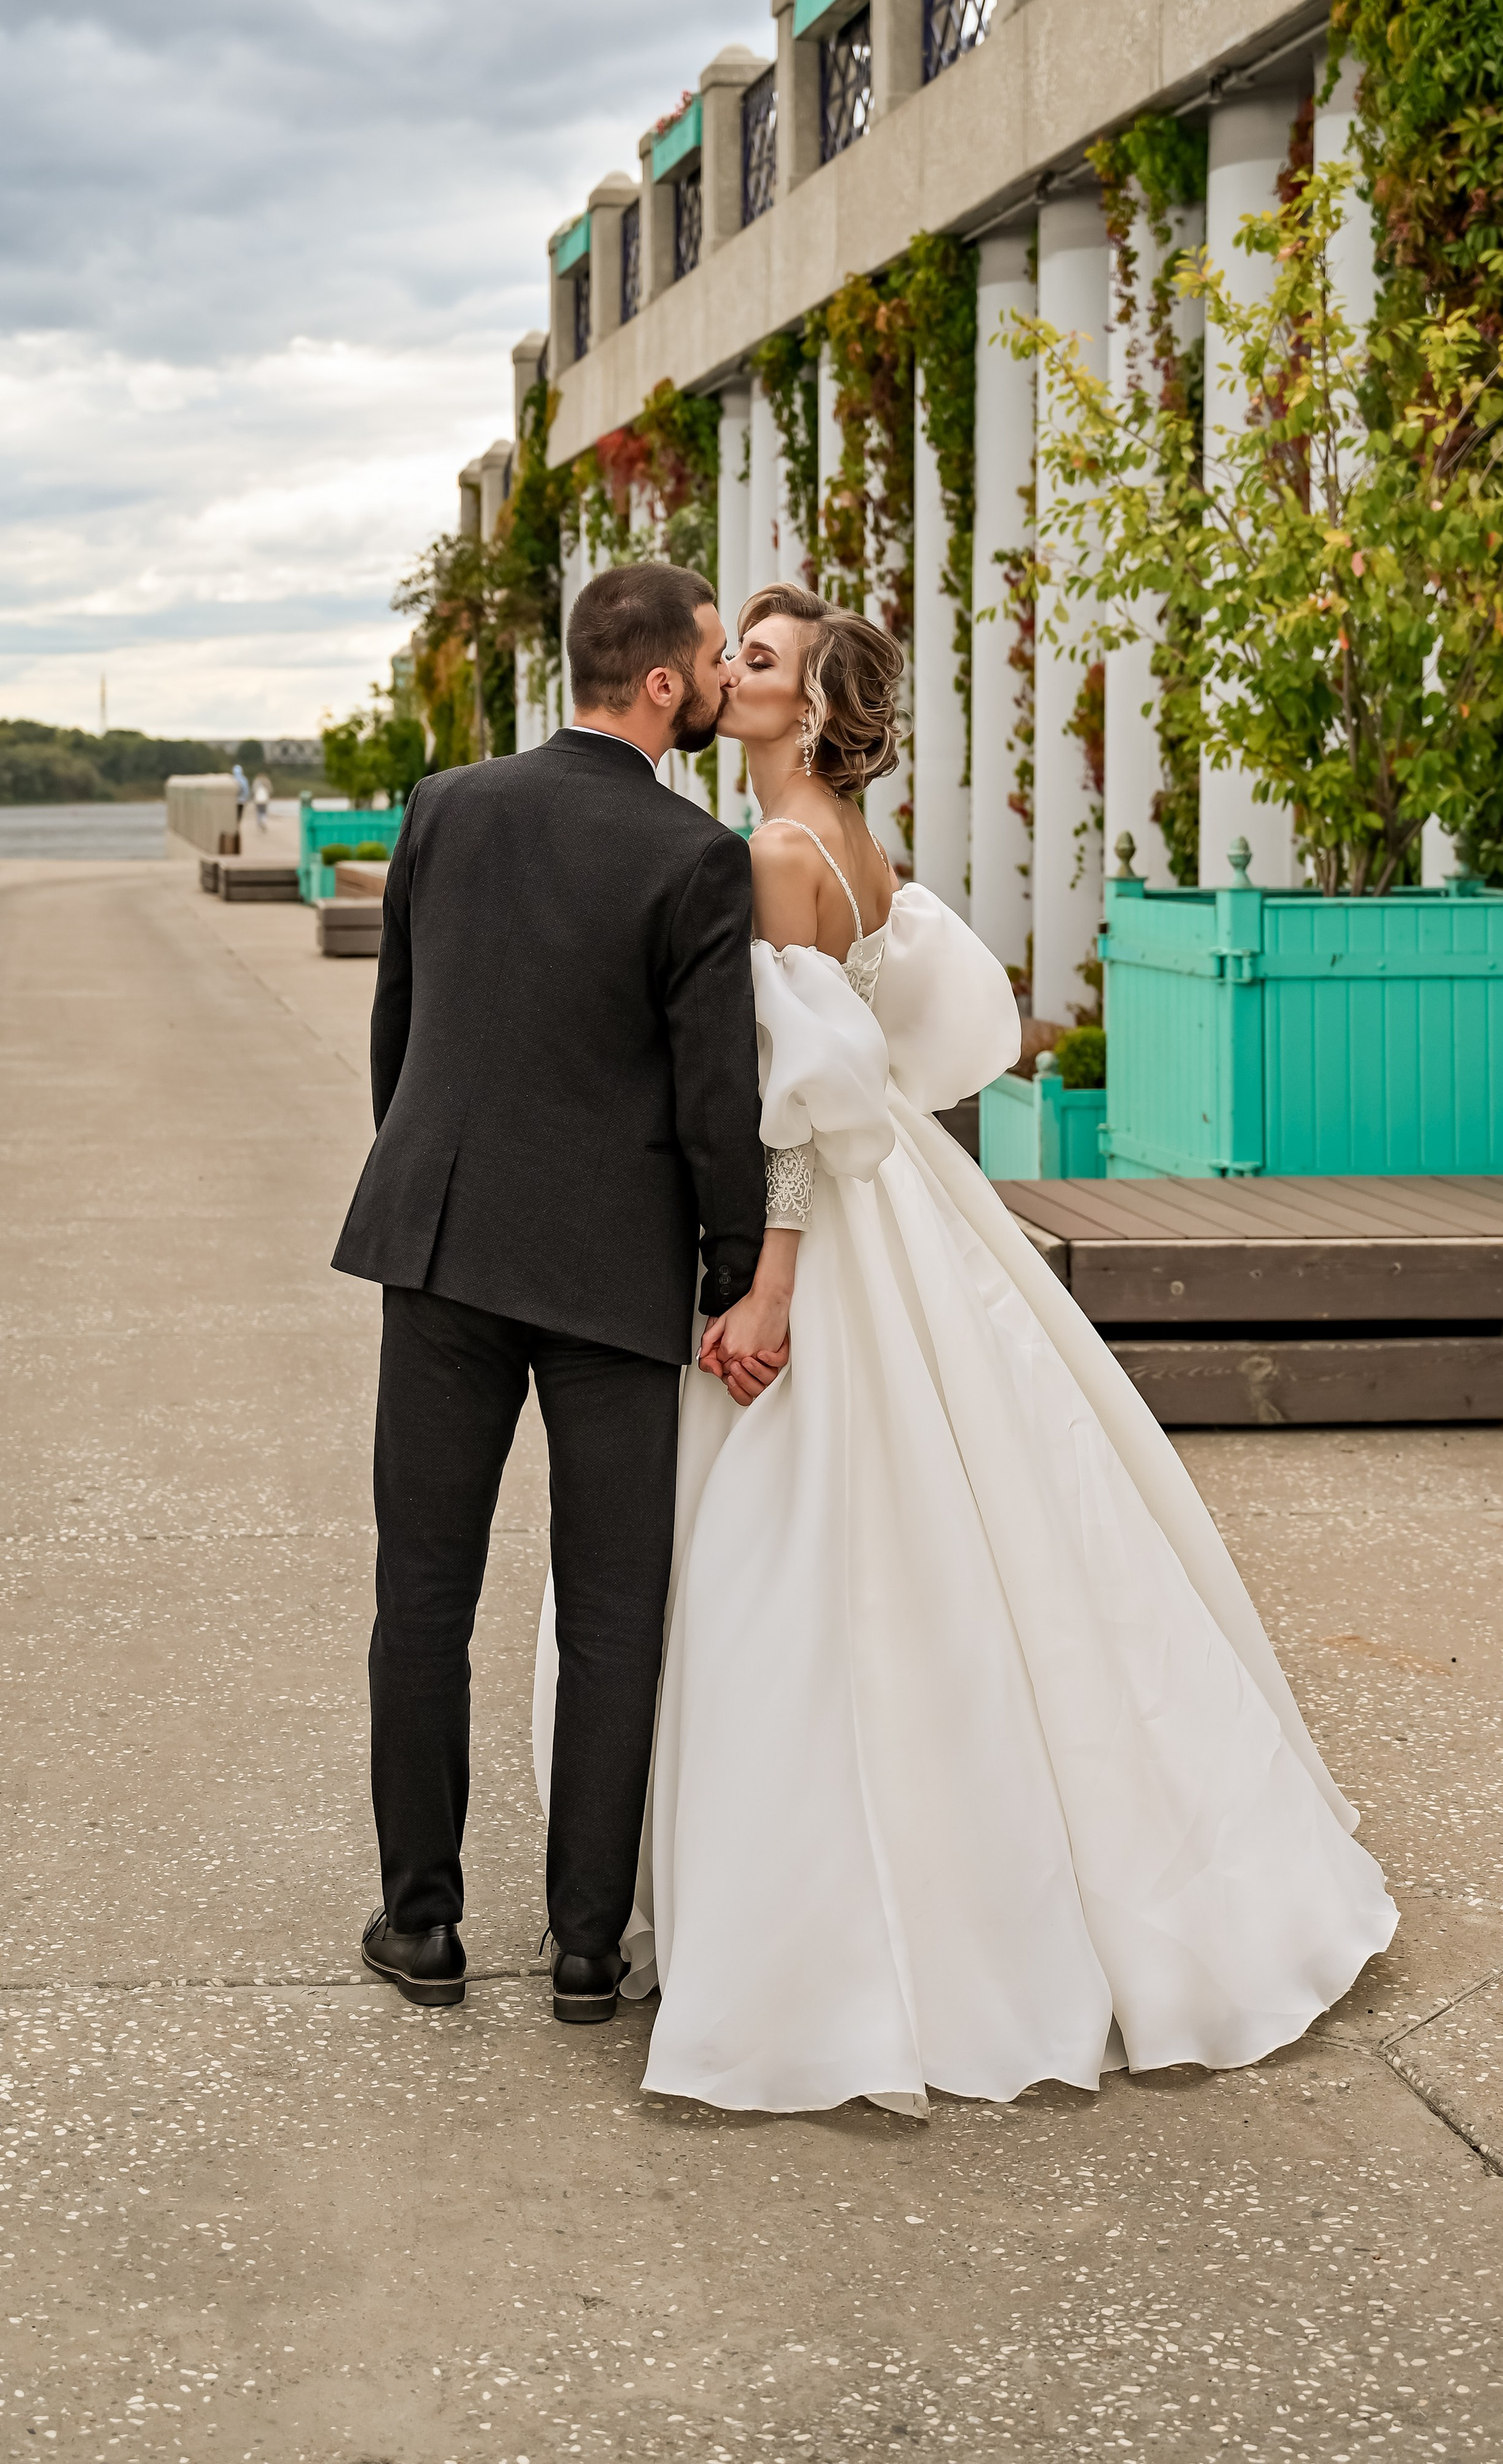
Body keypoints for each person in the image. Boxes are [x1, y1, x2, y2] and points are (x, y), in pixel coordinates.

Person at [533, 583, 1397, 2111]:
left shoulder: (775, 857)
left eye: (760, 659)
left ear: (806, 711)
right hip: (913, 1207)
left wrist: (767, 1281)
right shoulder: (865, 855)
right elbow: (907, 1051)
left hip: (820, 1239)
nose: (729, 671)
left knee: (790, 1565)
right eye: (732, 650)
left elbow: (793, 1096)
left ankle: (835, 1933)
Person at [334, 564, 766, 2018]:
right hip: (607, 1268)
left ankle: (423, 1929)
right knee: (609, 1609)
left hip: (442, 1247)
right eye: (709, 661)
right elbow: (718, 1095)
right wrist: (730, 1271)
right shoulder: (694, 852)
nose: (716, 683)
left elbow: (399, 1036)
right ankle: (587, 1951)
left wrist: (432, 1187)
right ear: (659, 685)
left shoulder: (445, 806)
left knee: (422, 1594)